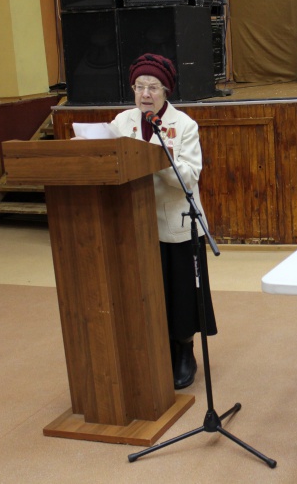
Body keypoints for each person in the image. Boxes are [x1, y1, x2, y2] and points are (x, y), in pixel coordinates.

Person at [110, 53, 217, 390]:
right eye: (139, 86)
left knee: (180, 294)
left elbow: (190, 177)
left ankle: (184, 351)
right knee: (145, 291)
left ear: (166, 91)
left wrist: (157, 153)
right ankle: (152, 350)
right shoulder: (121, 122)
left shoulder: (183, 125)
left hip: (175, 226)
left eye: (153, 87)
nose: (145, 94)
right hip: (134, 225)